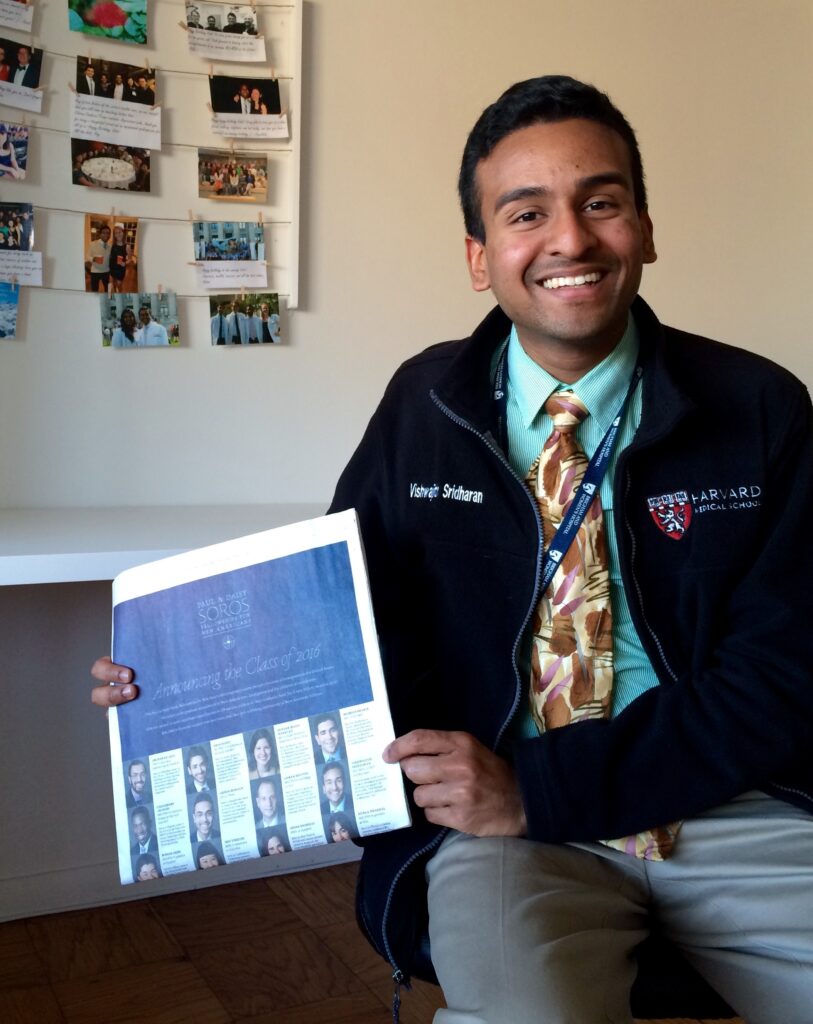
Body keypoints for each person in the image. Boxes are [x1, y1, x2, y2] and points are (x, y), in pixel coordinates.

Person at [90, 73, 813, 1024]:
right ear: (480, 256)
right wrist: (175, 679)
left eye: (600, 202)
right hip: (503, 832)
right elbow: (343, 628)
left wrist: (539, 787)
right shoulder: (421, 407)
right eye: (526, 214)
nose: (568, 239)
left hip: (727, 802)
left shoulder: (758, 406)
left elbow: (784, 673)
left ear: (643, 225)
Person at [86, 224, 112, 292]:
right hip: (95, 271)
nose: (106, 235)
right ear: (100, 234)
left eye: (108, 233)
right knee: (94, 290)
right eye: (104, 233)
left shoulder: (110, 246)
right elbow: (87, 256)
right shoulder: (93, 244)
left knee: (108, 290)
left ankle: (108, 300)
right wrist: (94, 259)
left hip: (106, 271)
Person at [108, 223, 133, 294]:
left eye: (120, 232)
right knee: (114, 282)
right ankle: (115, 292)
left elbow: (130, 259)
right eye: (116, 233)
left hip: (120, 270)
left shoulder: (127, 246)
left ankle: (120, 294)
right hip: (112, 267)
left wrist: (125, 263)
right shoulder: (112, 244)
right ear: (114, 235)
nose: (118, 234)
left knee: (119, 284)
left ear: (123, 233)